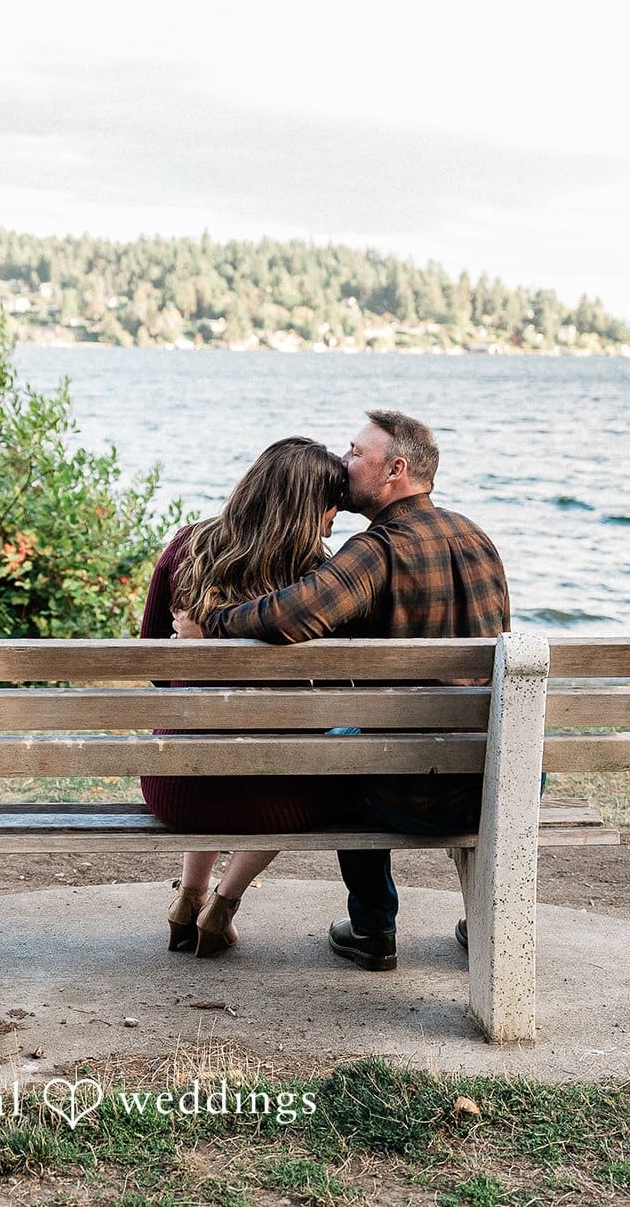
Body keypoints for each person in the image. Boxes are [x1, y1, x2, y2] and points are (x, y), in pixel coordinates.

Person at [190, 409, 510, 973]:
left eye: (356, 453)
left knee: (348, 747)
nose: (344, 463)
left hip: (412, 794)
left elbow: (287, 618)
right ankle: (483, 918)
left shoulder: (377, 550)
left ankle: (372, 928)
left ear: (396, 470)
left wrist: (210, 623)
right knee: (374, 735)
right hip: (501, 778)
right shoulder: (476, 537)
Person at [139, 436, 348, 957]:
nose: (335, 518)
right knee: (310, 762)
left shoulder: (188, 545)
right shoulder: (319, 578)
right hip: (279, 801)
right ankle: (223, 905)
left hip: (175, 789)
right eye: (332, 505)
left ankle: (189, 896)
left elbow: (152, 663)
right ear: (309, 507)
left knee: (201, 737)